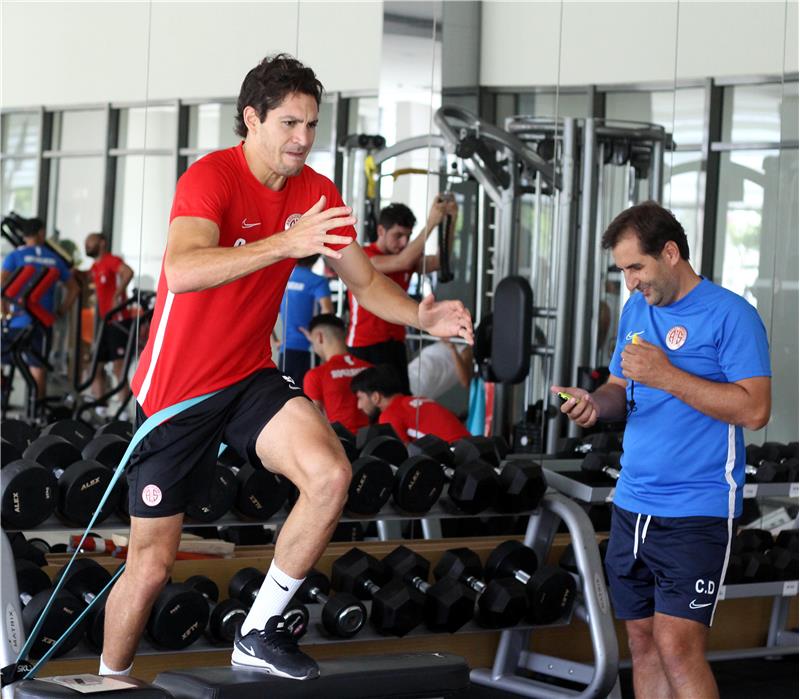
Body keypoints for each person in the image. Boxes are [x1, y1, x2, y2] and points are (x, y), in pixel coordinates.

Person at [100, 53, 473, 682]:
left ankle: (258, 630)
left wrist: (421, 317)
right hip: (175, 393)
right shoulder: (211, 177)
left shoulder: (317, 193)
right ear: (252, 119)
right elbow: (183, 269)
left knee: (330, 474)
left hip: (248, 374)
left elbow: (365, 283)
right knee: (152, 564)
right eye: (290, 124)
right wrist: (285, 243)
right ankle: (109, 680)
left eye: (311, 124)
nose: (303, 138)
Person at [552, 201, 771, 699]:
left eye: (636, 267)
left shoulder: (732, 315)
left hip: (696, 509)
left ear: (670, 253)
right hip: (632, 503)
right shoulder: (637, 309)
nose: (630, 282)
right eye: (623, 271)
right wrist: (594, 404)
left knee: (677, 648)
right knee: (642, 643)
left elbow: (755, 410)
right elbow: (619, 387)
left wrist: (667, 375)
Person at [346, 196, 457, 394]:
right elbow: (402, 262)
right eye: (398, 235)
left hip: (395, 344)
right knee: (369, 407)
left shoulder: (407, 259)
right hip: (365, 345)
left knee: (400, 403)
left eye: (408, 236)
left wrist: (451, 220)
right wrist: (431, 223)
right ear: (381, 231)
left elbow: (440, 261)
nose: (404, 242)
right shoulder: (366, 257)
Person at [1, 217, 78, 403]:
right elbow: (74, 288)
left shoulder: (16, 256)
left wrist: (4, 313)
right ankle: (37, 411)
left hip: (17, 321)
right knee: (38, 367)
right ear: (41, 233)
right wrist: (61, 311)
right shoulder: (54, 259)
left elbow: (1, 285)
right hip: (41, 322)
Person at [351, 364, 470, 443]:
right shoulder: (419, 400)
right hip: (471, 446)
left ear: (375, 397)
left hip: (455, 457)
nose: (359, 406)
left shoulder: (390, 415)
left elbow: (404, 458)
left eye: (360, 398)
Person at [84, 232, 135, 402]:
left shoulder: (110, 260)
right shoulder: (96, 266)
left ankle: (124, 411)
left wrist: (117, 295)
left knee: (118, 368)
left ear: (102, 243)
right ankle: (100, 407)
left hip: (119, 320)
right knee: (95, 366)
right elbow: (85, 277)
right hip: (106, 322)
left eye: (90, 242)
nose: (87, 245)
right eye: (86, 243)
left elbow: (128, 272)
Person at [302, 313, 371, 433]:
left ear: (319, 337)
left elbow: (314, 422)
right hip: (373, 440)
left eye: (312, 343)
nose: (314, 348)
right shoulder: (369, 368)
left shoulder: (315, 375)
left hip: (340, 441)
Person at [275, 253, 332, 385]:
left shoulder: (283, 279)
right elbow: (327, 311)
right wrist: (316, 336)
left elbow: (266, 310)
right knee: (307, 391)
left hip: (285, 349)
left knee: (286, 391)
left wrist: (274, 340)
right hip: (308, 347)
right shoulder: (317, 281)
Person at [408, 339, 473, 400]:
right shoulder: (435, 342)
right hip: (408, 375)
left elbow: (465, 382)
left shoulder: (463, 349)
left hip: (417, 386)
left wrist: (453, 349)